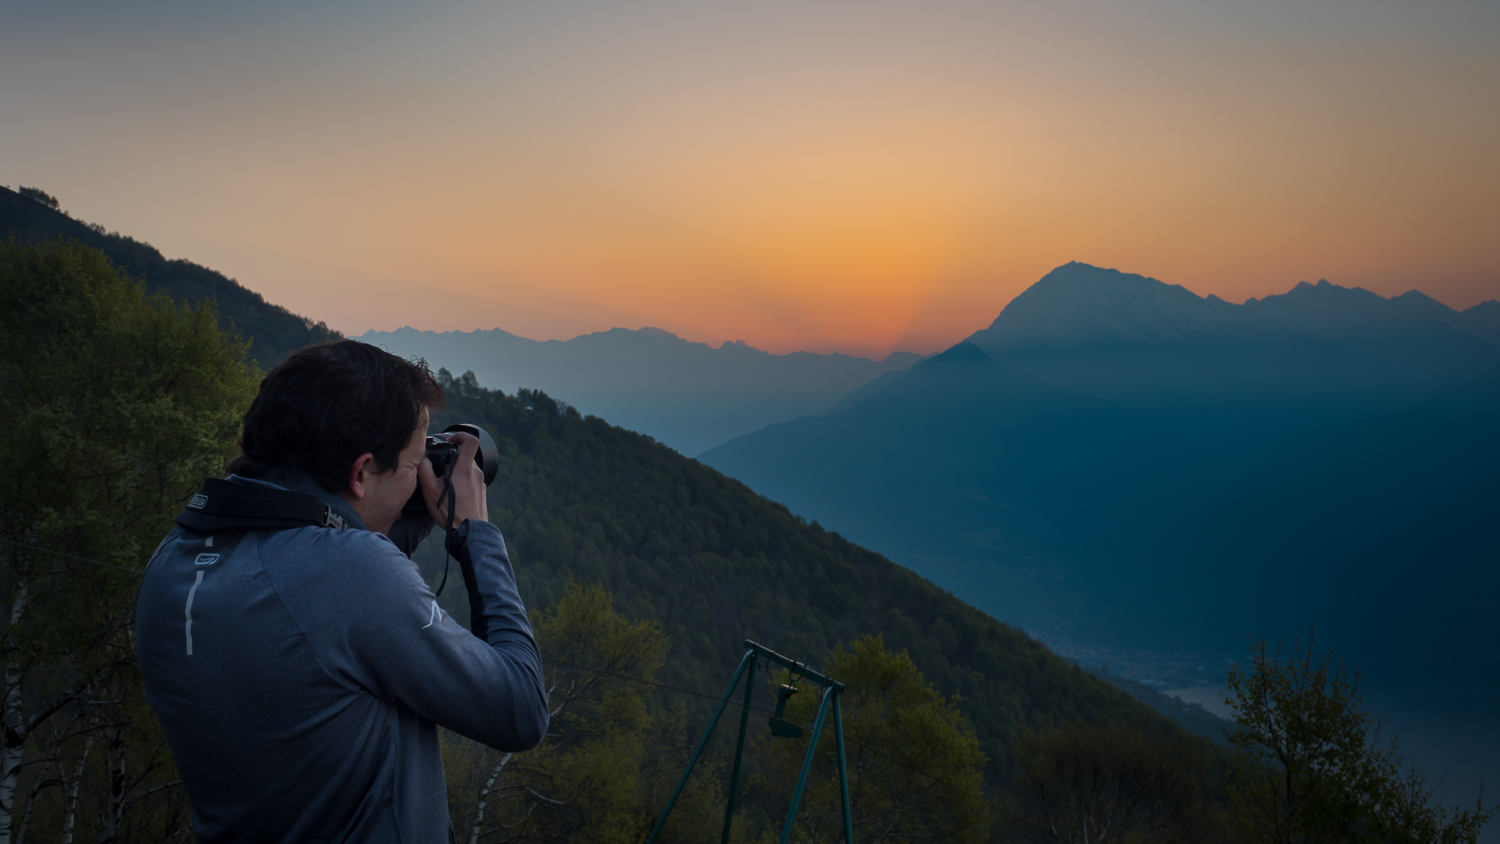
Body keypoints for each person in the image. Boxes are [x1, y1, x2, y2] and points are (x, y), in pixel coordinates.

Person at [135, 339, 548, 843]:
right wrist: (473, 532)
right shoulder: (353, 574)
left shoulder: (171, 563)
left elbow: (311, 576)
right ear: (360, 472)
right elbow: (521, 708)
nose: (418, 474)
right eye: (412, 463)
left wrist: (401, 496)